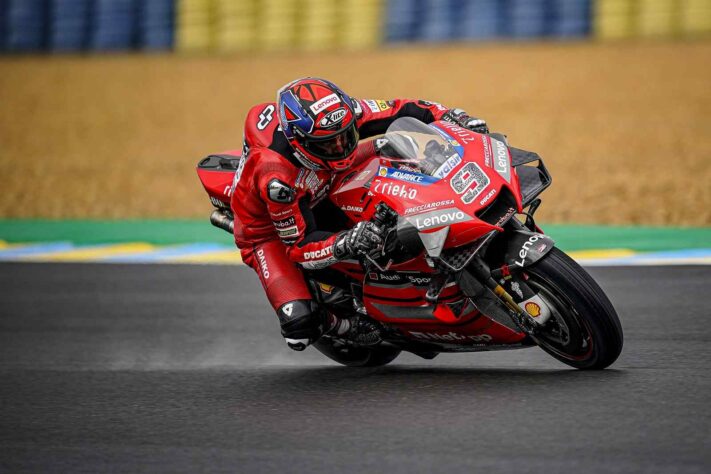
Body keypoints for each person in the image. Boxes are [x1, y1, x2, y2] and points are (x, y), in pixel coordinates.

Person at [229, 77, 488, 351]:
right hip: (270, 231)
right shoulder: (277, 180)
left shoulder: (339, 114)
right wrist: (347, 242)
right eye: (328, 143)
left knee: (399, 154)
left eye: (346, 135)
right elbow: (299, 247)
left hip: (326, 177)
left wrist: (453, 117)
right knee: (298, 326)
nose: (340, 146)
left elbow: (404, 109)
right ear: (300, 142)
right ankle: (341, 325)